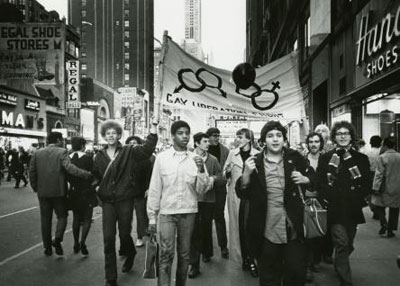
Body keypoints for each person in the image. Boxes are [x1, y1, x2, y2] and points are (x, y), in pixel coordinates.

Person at [235, 121, 314, 286]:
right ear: (264, 141)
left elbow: (315, 180)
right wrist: (246, 175)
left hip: (293, 226)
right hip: (265, 228)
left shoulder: (295, 158)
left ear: (284, 139)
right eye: (270, 136)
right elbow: (243, 193)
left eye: (279, 135)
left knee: (296, 274)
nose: (275, 139)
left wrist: (306, 179)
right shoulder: (254, 162)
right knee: (269, 276)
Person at [93, 119, 158, 286]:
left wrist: (153, 128)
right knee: (108, 238)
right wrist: (96, 186)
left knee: (124, 234)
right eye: (107, 134)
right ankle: (110, 277)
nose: (111, 136)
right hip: (108, 201)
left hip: (124, 199)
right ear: (103, 136)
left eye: (113, 133)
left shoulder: (129, 151)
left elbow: (147, 150)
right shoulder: (98, 156)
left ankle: (130, 253)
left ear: (119, 135)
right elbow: (96, 176)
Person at [147, 120, 211, 286]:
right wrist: (152, 218)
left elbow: (201, 190)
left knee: (184, 254)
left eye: (186, 133)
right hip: (167, 213)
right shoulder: (162, 158)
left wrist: (202, 171)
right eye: (180, 133)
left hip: (188, 212)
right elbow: (155, 188)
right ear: (172, 136)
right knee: (166, 254)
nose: (184, 136)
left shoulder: (196, 159)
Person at [317, 121, 371, 286]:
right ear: (334, 137)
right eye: (339, 133)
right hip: (334, 207)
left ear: (351, 136)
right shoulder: (326, 157)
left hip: (352, 208)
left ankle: (340, 262)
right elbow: (320, 182)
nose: (342, 136)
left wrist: (360, 198)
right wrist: (328, 195)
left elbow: (367, 183)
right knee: (341, 242)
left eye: (345, 133)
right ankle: (345, 280)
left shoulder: (361, 158)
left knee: (348, 244)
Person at [29, 132, 92, 256]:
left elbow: (32, 172)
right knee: (62, 216)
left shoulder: (37, 153)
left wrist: (36, 187)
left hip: (43, 193)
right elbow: (70, 168)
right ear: (58, 140)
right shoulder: (62, 152)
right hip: (58, 192)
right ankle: (57, 239)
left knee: (45, 220)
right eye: (62, 140)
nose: (63, 142)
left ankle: (47, 247)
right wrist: (86, 174)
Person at [189, 132, 227, 278]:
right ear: (197, 143)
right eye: (205, 141)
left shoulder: (213, 160)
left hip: (209, 200)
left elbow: (222, 178)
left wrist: (212, 179)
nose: (208, 143)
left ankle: (207, 253)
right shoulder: (189, 158)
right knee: (193, 231)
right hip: (193, 200)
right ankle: (194, 264)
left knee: (205, 228)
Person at [224, 128, 259, 276]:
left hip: (253, 197)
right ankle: (244, 258)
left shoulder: (258, 154)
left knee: (252, 228)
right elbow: (225, 174)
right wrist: (227, 171)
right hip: (236, 195)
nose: (237, 139)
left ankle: (253, 258)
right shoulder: (232, 154)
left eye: (240, 136)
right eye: (236, 136)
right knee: (238, 229)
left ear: (249, 139)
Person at [67, 137, 98, 256]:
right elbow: (94, 174)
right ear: (83, 146)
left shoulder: (68, 159)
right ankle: (83, 242)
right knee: (87, 219)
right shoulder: (88, 159)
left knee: (76, 218)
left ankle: (75, 242)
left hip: (73, 192)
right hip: (87, 192)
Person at [125, 135, 154, 248]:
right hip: (126, 192)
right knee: (126, 217)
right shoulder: (124, 158)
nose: (133, 144)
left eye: (135, 142)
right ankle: (126, 239)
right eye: (130, 142)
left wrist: (148, 188)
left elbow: (149, 175)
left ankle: (139, 237)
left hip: (140, 191)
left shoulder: (145, 159)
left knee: (140, 215)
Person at [206, 127, 230, 259]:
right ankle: (206, 251)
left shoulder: (225, 151)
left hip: (220, 188)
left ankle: (223, 247)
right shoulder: (203, 149)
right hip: (206, 190)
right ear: (208, 137)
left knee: (219, 217)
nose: (216, 138)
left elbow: (227, 170)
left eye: (218, 135)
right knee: (206, 220)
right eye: (214, 135)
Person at [304, 132, 325, 282]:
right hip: (306, 199)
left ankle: (318, 258)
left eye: (316, 141)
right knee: (309, 232)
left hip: (323, 199)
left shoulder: (327, 159)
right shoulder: (302, 160)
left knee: (321, 231)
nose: (313, 144)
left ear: (321, 144)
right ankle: (309, 264)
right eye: (311, 141)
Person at [372, 136, 400, 238]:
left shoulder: (382, 157)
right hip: (397, 187)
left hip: (385, 186)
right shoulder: (399, 156)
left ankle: (384, 223)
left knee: (379, 206)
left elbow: (379, 174)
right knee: (395, 208)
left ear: (385, 145)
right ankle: (391, 230)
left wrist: (375, 187)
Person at [366, 135, 382, 220]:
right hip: (381, 174)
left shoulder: (368, 153)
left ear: (371, 142)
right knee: (379, 193)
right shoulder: (382, 152)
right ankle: (379, 209)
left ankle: (374, 209)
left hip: (370, 174)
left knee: (369, 194)